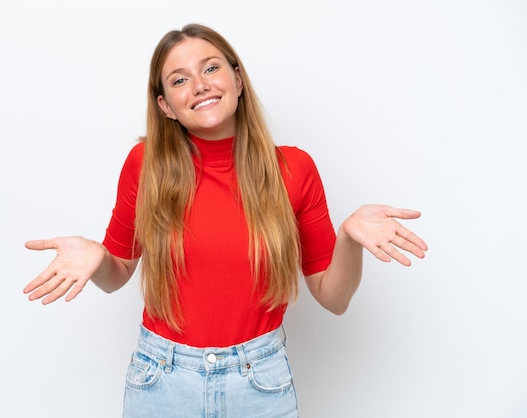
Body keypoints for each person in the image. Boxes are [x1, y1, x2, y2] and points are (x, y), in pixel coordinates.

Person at [23, 23, 428, 417]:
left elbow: (334, 298)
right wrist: (96, 257)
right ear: (165, 105)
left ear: (237, 78)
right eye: (179, 80)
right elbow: (117, 275)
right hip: (162, 380)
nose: (199, 85)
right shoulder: (145, 165)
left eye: (211, 68)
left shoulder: (294, 168)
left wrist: (348, 238)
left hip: (260, 382)